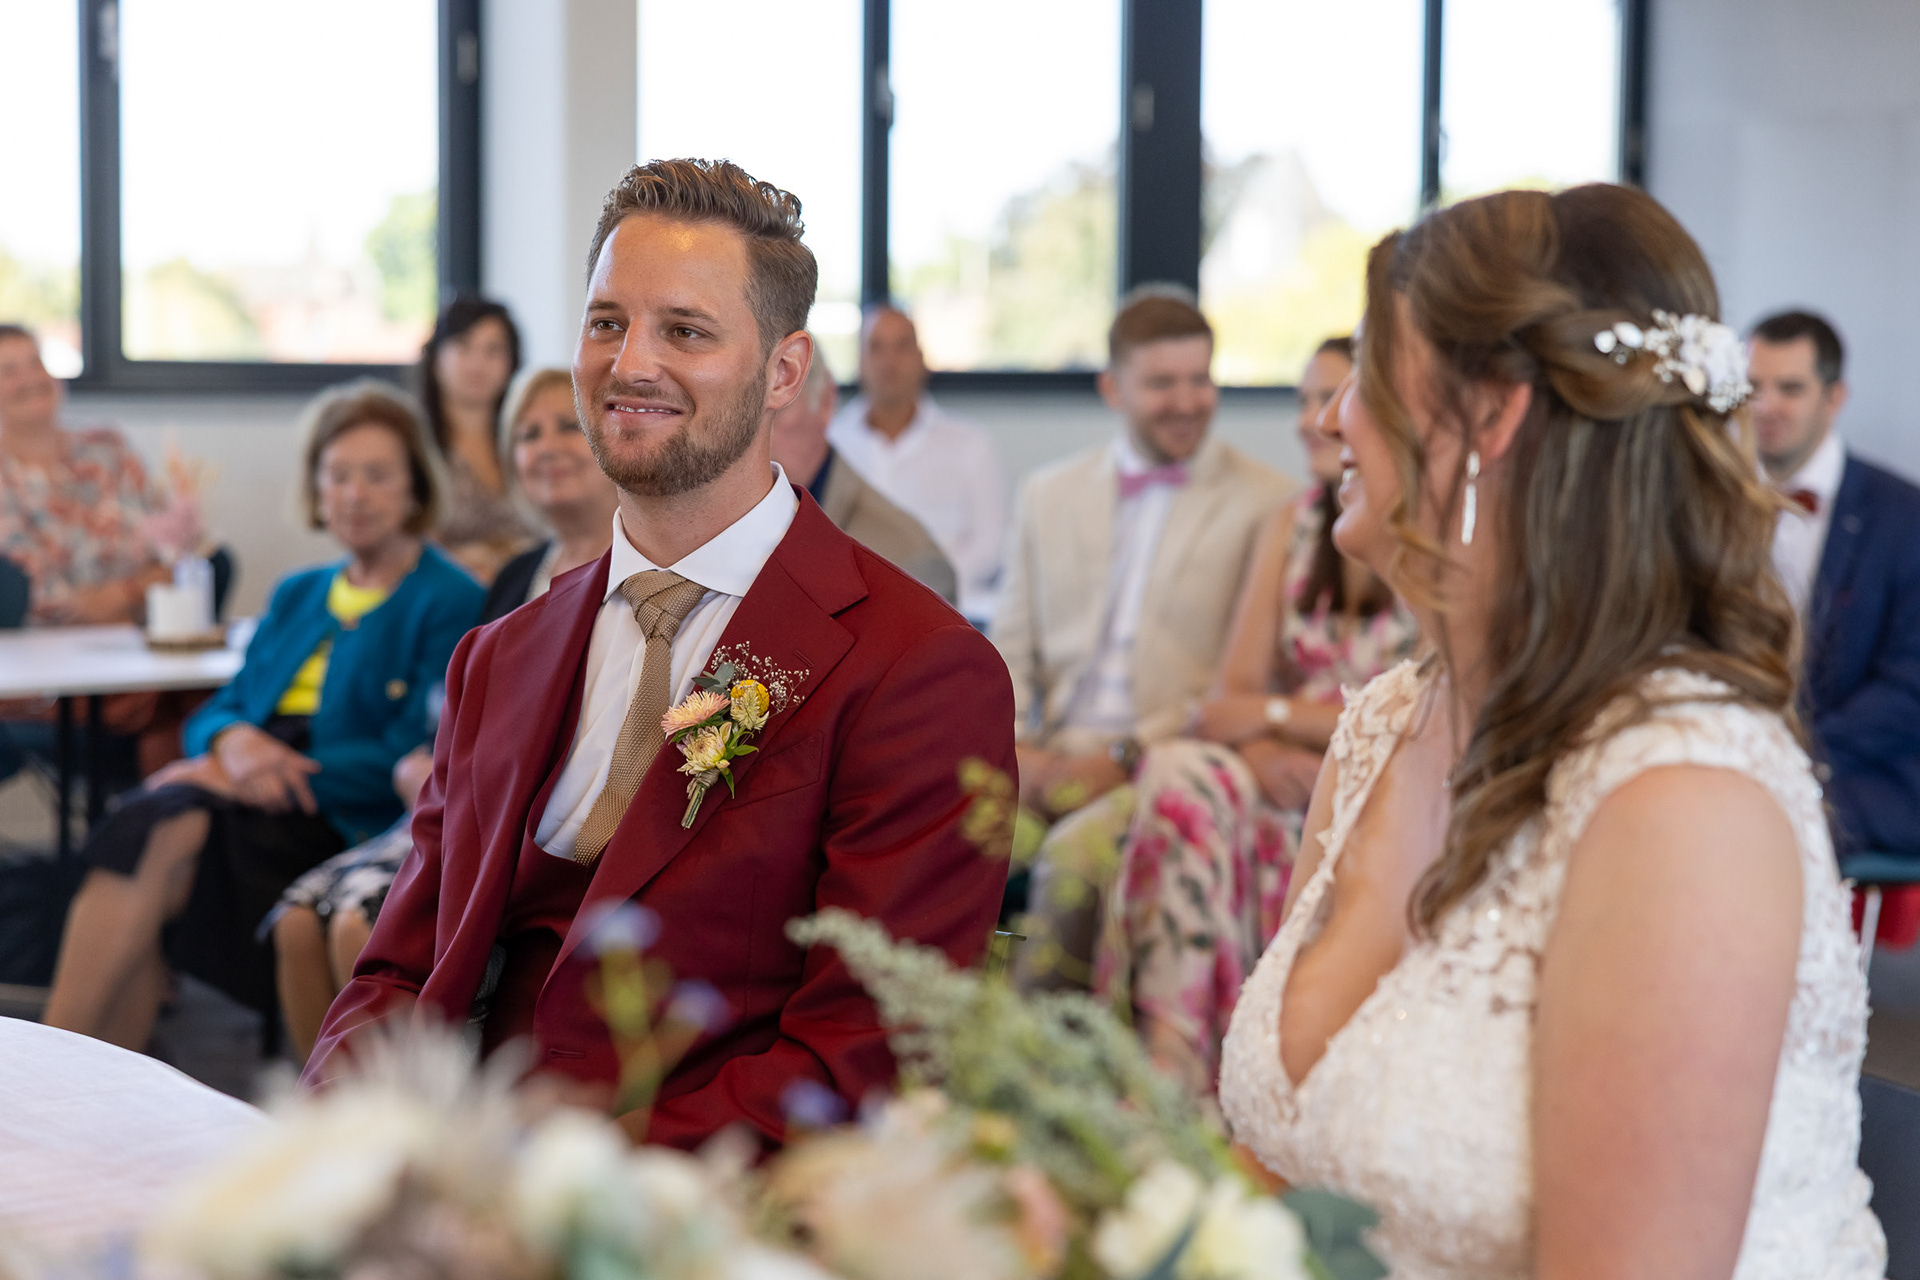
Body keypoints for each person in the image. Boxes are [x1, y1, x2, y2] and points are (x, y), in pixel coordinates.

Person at [1217, 185, 1883, 1276]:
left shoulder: (1685, 804)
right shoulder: (1386, 722)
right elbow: (1278, 1156)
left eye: (1369, 372)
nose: (1332, 419)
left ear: (1492, 418)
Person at [305, 159, 1016, 1152]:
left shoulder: (915, 667)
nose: (630, 363)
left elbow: (862, 1060)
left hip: (693, 1197)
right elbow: (397, 973)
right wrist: (328, 1151)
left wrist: (564, 1182)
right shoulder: (498, 657)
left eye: (684, 330)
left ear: (784, 372)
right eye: (607, 323)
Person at [43, 382, 484, 1051]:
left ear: (416, 487)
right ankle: (83, 1067)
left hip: (338, 814)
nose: (355, 494)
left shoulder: (450, 597)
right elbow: (222, 707)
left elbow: (417, 751)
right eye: (338, 475)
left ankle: (57, 1063)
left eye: (377, 476)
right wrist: (232, 744)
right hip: (244, 792)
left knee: (157, 838)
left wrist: (244, 771)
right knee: (149, 830)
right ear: (317, 488)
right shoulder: (298, 592)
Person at [1064, 337, 1418, 1093]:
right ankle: (1169, 1059)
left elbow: (1421, 708)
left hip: (1388, 784)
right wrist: (1263, 750)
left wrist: (1282, 713)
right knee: (1180, 773)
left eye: (1333, 398)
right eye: (1303, 400)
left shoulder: (1429, 534)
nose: (1313, 419)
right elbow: (1231, 698)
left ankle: (1229, 1066)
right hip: (1287, 778)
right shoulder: (1291, 525)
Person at [269, 366, 619, 1062]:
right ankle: (331, 1120)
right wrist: (432, 763)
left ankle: (408, 1120)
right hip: (457, 801)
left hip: (528, 817)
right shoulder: (516, 576)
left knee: (356, 927)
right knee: (295, 920)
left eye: (566, 427)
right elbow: (463, 714)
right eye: (528, 434)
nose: (546, 447)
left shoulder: (636, 568)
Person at [999, 287, 1291, 976]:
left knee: (1071, 862)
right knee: (933, 846)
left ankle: (1031, 1044)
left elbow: (1234, 682)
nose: (1186, 402)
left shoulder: (1268, 502)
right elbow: (1006, 650)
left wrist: (1123, 758)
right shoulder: (1047, 493)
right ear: (1113, 388)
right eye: (1162, 383)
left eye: (1200, 379)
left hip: (1164, 761)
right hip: (1043, 757)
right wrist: (1014, 753)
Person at [1748, 310, 1920, 857]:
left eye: (1789, 388)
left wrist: (1794, 755)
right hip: (1737, 757)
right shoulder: (1710, 505)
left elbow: (1910, 683)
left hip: (1860, 778)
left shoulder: (1904, 516)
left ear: (1834, 397)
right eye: (1753, 387)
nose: (1765, 406)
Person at [0, 323, 183, 783]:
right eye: (8, 371)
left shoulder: (109, 449)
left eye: (36, 363)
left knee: (202, 696)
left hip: (138, 650)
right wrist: (135, 591)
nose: (30, 379)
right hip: (38, 672)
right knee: (176, 704)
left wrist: (121, 594)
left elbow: (177, 554)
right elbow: (33, 596)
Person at [826, 304, 1004, 622]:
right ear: (860, 362)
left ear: (922, 359)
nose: (889, 361)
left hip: (948, 609)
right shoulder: (831, 444)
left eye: (902, 346)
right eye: (876, 348)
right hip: (850, 613)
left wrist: (923, 586)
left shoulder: (969, 443)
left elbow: (991, 544)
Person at [769, 342, 958, 605]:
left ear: (825, 401)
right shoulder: (720, 529)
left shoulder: (908, 561)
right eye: (743, 412)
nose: (752, 435)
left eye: (777, 409)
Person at [417, 296, 537, 583]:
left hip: (536, 589)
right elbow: (407, 547)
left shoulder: (532, 437)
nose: (477, 363)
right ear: (435, 357)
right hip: (449, 593)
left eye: (493, 350)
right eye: (463, 345)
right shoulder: (412, 445)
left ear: (512, 362)